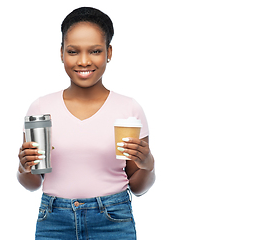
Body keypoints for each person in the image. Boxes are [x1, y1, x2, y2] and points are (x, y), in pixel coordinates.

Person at [17, 7, 155, 240]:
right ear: (61, 53)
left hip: (113, 219)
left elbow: (139, 188)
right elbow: (31, 183)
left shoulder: (129, 109)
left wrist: (147, 163)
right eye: (73, 51)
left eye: (95, 51)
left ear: (108, 52)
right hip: (54, 220)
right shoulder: (41, 109)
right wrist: (23, 167)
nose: (83, 61)